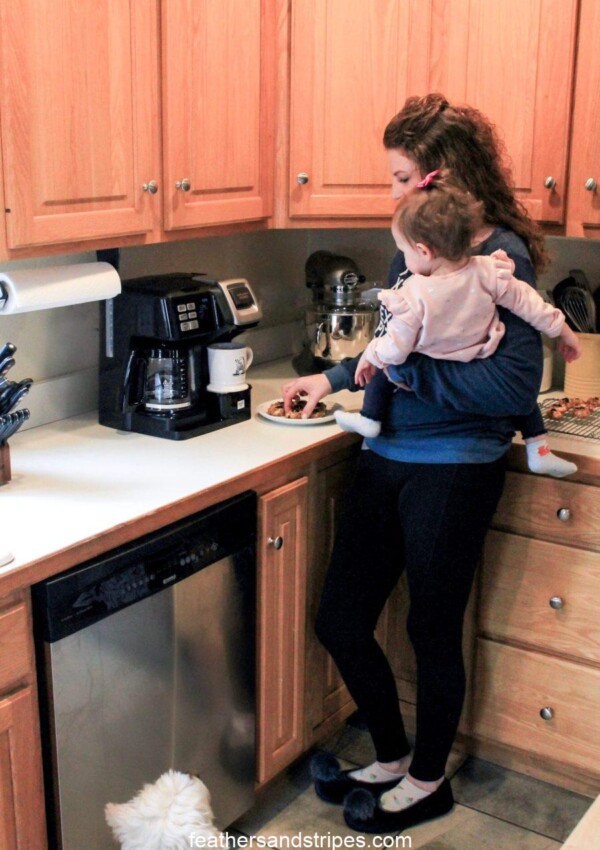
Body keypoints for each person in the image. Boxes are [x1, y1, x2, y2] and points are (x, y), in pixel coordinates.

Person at [281, 93, 566, 835]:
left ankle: (428, 781)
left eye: (401, 175)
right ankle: (390, 756)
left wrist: (411, 380)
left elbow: (509, 388)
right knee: (341, 621)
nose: (393, 190)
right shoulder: (411, 243)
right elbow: (393, 342)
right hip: (386, 457)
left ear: (437, 178)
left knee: (432, 633)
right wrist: (336, 379)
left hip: (456, 468)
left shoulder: (498, 257)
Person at [334, 169, 581, 479]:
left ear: (424, 251)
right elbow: (530, 305)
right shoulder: (490, 271)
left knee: (385, 367)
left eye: (405, 250)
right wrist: (563, 330)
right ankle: (538, 448)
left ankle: (370, 419)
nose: (403, 258)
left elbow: (396, 349)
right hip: (479, 353)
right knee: (525, 401)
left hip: (436, 363)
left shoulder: (413, 295)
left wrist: (372, 355)